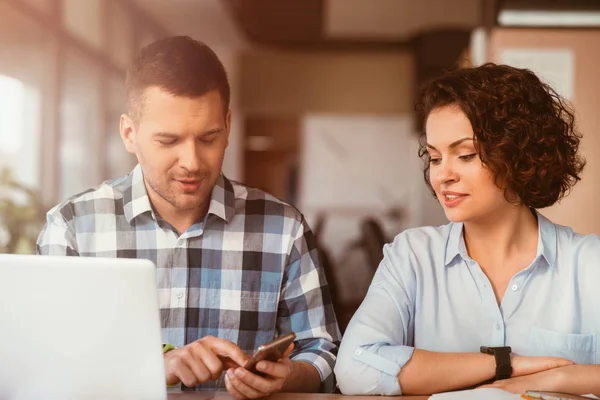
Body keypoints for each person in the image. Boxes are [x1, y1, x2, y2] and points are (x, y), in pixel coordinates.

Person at [37, 36, 340, 398]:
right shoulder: (72, 227)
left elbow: (324, 353)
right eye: (168, 141)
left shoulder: (283, 228)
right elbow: (46, 364)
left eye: (208, 138)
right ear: (129, 134)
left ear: (228, 126)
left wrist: (287, 377)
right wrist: (153, 368)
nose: (192, 162)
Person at [334, 63, 600, 396]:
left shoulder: (589, 263)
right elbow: (355, 369)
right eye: (434, 158)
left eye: (465, 155)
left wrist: (556, 379)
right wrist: (504, 365)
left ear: (518, 155)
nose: (443, 175)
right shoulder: (412, 256)